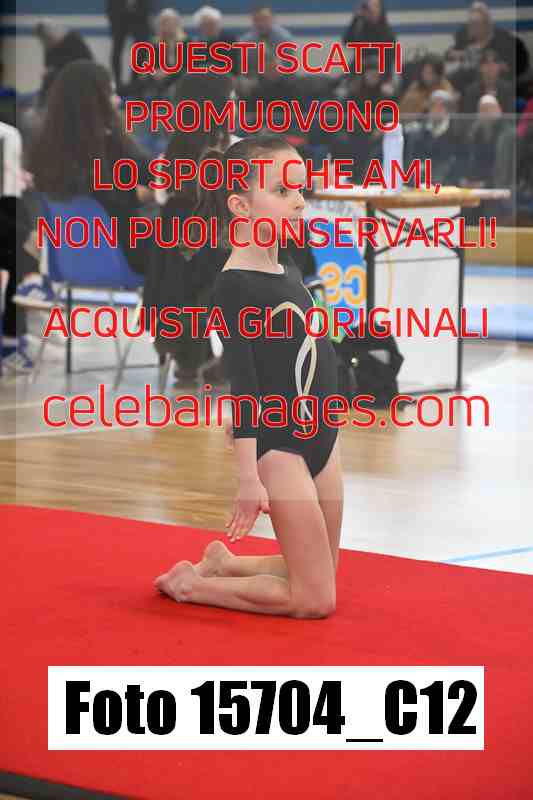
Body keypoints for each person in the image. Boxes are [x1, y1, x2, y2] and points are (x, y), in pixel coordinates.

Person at [154, 134, 344, 618]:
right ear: (240, 205)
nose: (299, 202)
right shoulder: (234, 285)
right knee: (315, 599)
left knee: (321, 568)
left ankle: (225, 563)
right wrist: (248, 477)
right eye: (282, 191)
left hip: (322, 432)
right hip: (280, 445)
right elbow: (245, 385)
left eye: (299, 190)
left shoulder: (289, 265)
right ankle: (192, 586)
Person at [14, 60, 154, 308]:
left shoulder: (46, 152)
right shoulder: (111, 150)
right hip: (124, 259)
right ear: (95, 102)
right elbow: (143, 183)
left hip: (69, 263)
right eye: (111, 93)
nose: (117, 101)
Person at [106, 0, 152, 94]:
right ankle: (117, 82)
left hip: (139, 14)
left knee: (142, 47)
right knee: (117, 48)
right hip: (118, 14)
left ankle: (134, 81)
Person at [461, 48, 514, 114]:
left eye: (494, 62)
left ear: (499, 67)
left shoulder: (508, 89)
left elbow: (510, 115)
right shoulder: (471, 91)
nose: (490, 66)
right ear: (480, 67)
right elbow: (468, 116)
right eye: (486, 63)